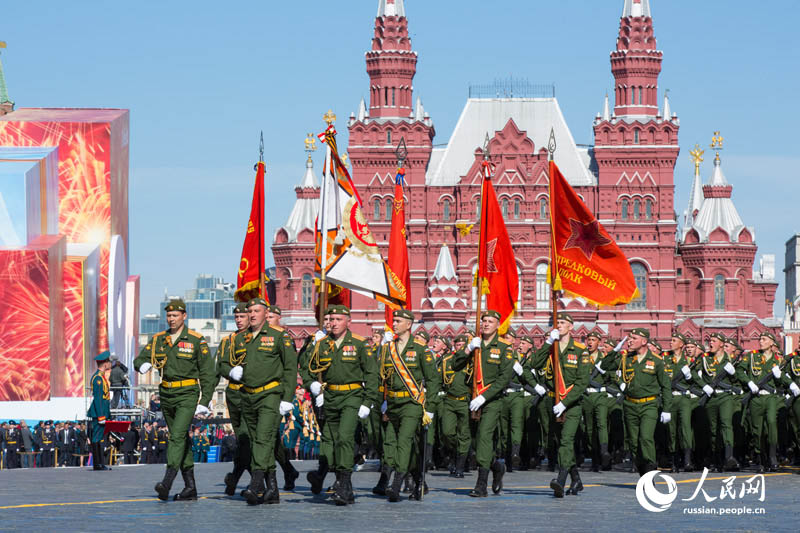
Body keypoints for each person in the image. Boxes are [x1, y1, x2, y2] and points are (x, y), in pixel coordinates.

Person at [134, 298, 217, 501]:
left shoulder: (196, 340)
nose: (171, 319)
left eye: (175, 315)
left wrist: (204, 401)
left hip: (187, 393)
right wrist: (141, 365)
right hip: (166, 394)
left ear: (184, 316)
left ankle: (167, 482)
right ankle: (190, 487)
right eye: (169, 316)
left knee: (177, 436)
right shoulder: (158, 339)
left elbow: (208, 373)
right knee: (181, 440)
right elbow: (140, 358)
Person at [219, 297, 298, 505]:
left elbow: (290, 368)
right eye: (250, 311)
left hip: (270, 395)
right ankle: (272, 489)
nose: (252, 314)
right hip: (246, 396)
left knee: (263, 439)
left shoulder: (279, 336)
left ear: (266, 313)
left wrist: (287, 398)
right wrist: (230, 372)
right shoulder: (239, 339)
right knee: (256, 443)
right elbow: (223, 363)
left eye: (256, 311)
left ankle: (255, 485)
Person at [301, 305, 379, 506]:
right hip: (330, 397)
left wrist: (367, 402)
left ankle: (344, 484)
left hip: (352, 396)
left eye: (338, 319)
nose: (333, 323)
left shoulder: (360, 344)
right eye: (331, 319)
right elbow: (306, 368)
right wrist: (313, 384)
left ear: (348, 321)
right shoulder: (322, 344)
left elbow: (372, 375)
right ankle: (344, 485)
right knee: (333, 441)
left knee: (345, 438)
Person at [377, 309, 440, 502]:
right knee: (392, 444)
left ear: (409, 324)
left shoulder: (420, 349)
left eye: (398, 321)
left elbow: (432, 380)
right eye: (393, 320)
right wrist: (383, 402)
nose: (394, 324)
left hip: (412, 404)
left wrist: (430, 408)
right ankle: (419, 480)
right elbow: (381, 377)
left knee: (404, 441)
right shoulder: (388, 348)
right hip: (393, 403)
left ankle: (397, 483)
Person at [525, 312, 591, 497]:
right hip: (552, 402)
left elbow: (582, 382)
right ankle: (576, 480)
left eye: (562, 323)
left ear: (571, 327)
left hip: (571, 404)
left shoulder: (580, 350)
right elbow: (534, 364)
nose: (559, 325)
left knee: (567, 441)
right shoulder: (551, 347)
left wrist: (566, 402)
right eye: (557, 322)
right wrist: (547, 343)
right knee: (560, 442)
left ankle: (561, 480)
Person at [451, 310, 514, 498]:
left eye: (490, 321)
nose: (486, 324)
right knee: (472, 439)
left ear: (498, 325)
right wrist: (468, 349)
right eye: (483, 320)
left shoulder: (504, 348)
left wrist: (484, 397)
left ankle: (481, 485)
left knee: (484, 438)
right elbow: (455, 365)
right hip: (471, 400)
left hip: (492, 401)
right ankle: (495, 466)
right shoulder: (475, 344)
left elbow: (504, 378)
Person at [618, 328, 672, 476]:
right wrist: (620, 383)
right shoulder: (626, 359)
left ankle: (650, 474)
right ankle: (643, 475)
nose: (630, 341)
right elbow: (612, 370)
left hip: (649, 405)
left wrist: (667, 409)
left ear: (644, 341)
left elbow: (666, 386)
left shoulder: (656, 361)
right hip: (630, 404)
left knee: (646, 438)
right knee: (634, 443)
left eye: (633, 338)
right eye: (630, 338)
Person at [216, 302, 253, 495]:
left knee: (249, 439)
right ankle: (241, 478)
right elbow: (220, 365)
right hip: (234, 392)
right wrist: (230, 371)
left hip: (253, 393)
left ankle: (249, 479)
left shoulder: (257, 338)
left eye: (242, 316)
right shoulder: (227, 341)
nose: (239, 320)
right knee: (242, 439)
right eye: (236, 317)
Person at [735, 332, 784, 472]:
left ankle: (772, 456)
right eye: (760, 339)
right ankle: (761, 459)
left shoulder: (777, 360)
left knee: (771, 423)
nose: (760, 341)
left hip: (770, 398)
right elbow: (739, 371)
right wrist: (749, 382)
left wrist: (779, 376)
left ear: (772, 343)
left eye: (764, 339)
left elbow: (781, 382)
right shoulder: (752, 356)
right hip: (756, 399)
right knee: (757, 430)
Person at [692, 332, 739, 472]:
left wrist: (733, 373)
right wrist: (703, 385)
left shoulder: (730, 360)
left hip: (725, 397)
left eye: (713, 341)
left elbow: (737, 380)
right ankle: (715, 457)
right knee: (713, 429)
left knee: (726, 423)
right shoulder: (705, 358)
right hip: (711, 399)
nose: (710, 343)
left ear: (721, 344)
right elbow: (693, 372)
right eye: (709, 341)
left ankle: (728, 457)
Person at [87, 351, 113, 471]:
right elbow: (98, 399)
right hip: (99, 413)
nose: (110, 363)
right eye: (108, 361)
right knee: (97, 438)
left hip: (101, 412)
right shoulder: (98, 378)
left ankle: (99, 463)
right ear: (104, 363)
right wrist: (101, 416)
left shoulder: (101, 377)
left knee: (99, 438)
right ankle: (97, 464)